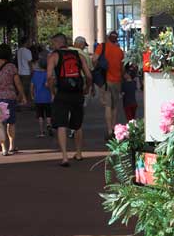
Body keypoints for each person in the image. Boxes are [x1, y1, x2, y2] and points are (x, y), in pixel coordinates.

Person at [47, 33, 92, 166]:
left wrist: (52, 92)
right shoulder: (78, 55)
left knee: (61, 124)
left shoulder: (54, 56)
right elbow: (89, 76)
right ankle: (78, 153)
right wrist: (87, 88)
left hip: (62, 92)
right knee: (77, 124)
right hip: (77, 92)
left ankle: (65, 157)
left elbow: (49, 77)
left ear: (56, 43)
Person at [0, 44, 27, 155]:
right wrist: (22, 95)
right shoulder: (11, 67)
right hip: (9, 97)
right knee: (11, 123)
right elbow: (17, 83)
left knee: (0, 123)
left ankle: (4, 147)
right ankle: (12, 145)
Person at [93, 30, 124, 139]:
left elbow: (94, 59)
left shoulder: (102, 47)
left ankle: (109, 130)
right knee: (115, 107)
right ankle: (115, 129)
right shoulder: (120, 51)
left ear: (107, 38)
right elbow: (122, 67)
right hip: (117, 80)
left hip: (106, 80)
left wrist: (97, 68)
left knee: (108, 106)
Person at [30, 57, 53, 137]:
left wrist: (32, 95)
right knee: (48, 114)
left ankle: (42, 132)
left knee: (40, 115)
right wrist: (52, 94)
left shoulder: (35, 74)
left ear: (39, 65)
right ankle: (49, 124)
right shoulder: (48, 74)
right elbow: (50, 85)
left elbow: (32, 86)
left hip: (38, 98)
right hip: (47, 98)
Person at [17, 37, 33, 105]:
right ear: (26, 42)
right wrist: (32, 70)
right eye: (29, 41)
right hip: (26, 72)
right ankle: (20, 101)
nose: (30, 43)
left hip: (20, 71)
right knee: (26, 88)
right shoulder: (27, 51)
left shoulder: (19, 50)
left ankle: (21, 101)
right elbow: (29, 62)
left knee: (22, 87)